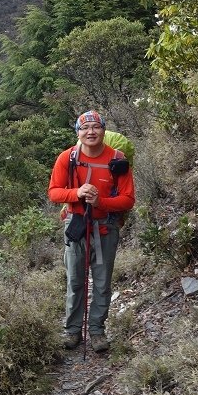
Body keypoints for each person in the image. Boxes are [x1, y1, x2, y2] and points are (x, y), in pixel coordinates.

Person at [48, 110, 135, 353]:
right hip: (76, 224)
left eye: (96, 127)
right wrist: (75, 193)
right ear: (78, 133)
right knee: (75, 280)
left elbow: (128, 199)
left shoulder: (117, 160)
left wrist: (101, 203)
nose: (91, 132)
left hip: (106, 226)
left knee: (102, 282)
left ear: (104, 131)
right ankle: (72, 331)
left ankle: (97, 331)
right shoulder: (68, 158)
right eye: (85, 128)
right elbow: (54, 192)